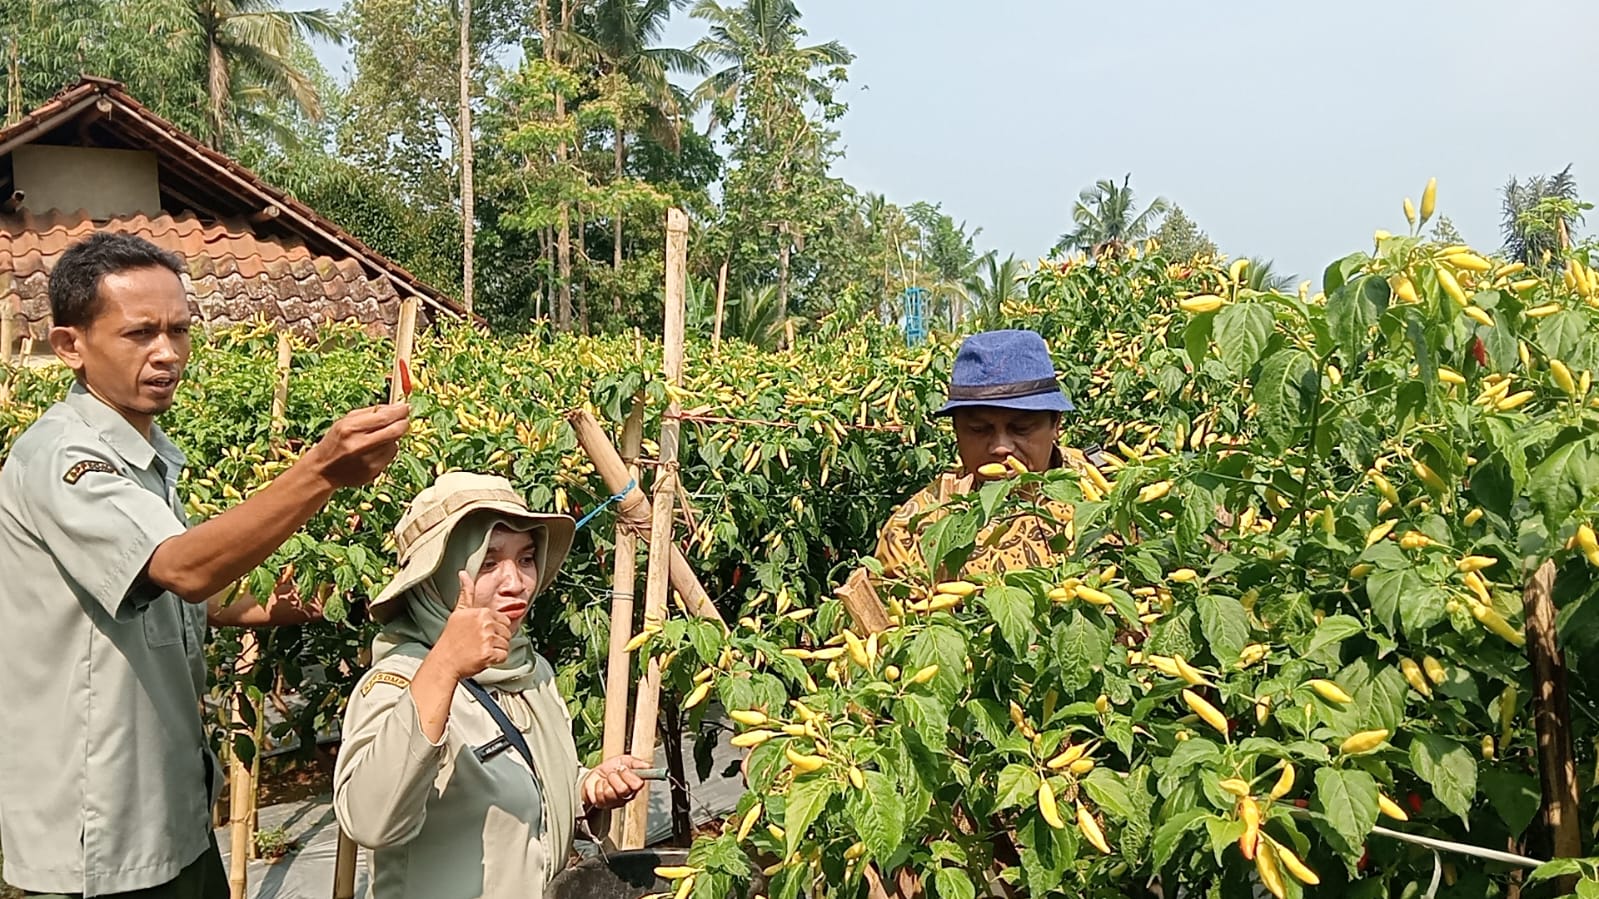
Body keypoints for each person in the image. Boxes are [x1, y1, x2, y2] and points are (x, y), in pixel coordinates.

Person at [0, 232, 411, 897]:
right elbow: (184, 569)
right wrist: (320, 472)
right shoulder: (62, 459)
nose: (166, 353)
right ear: (70, 346)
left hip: (170, 818)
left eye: (178, 331)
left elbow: (197, 598)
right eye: (140, 334)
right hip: (94, 843)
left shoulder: (148, 458)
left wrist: (317, 598)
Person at [334, 472, 651, 899]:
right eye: (488, 562)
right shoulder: (399, 683)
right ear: (438, 576)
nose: (517, 582)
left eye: (525, 558)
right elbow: (369, 820)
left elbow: (526, 777)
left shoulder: (528, 668)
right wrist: (445, 664)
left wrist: (585, 788)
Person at [872, 329, 1103, 580]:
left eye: (1021, 428)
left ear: (1056, 424)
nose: (1000, 447)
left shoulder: (1108, 490)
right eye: (979, 429)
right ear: (956, 431)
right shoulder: (913, 529)